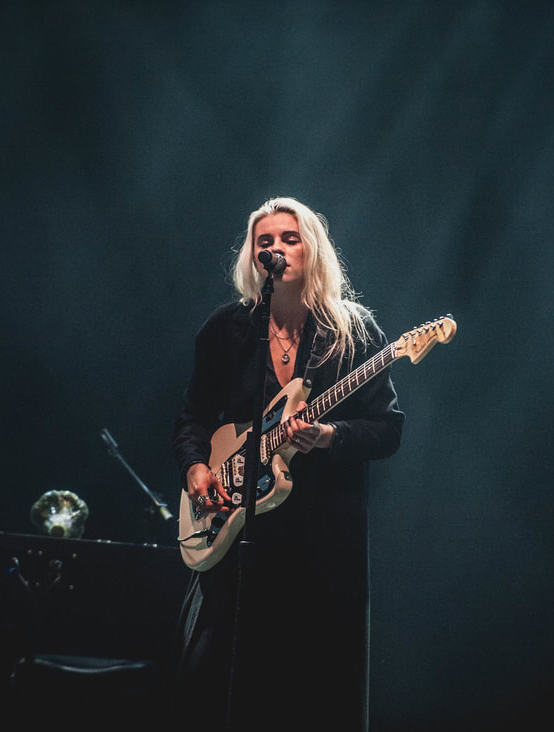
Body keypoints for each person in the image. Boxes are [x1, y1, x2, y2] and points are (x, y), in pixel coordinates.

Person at [170, 197, 404, 731]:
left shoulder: (354, 332)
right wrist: (195, 467)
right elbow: (193, 416)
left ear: (312, 249)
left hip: (322, 540)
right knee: (218, 686)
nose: (275, 248)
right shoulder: (228, 329)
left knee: (312, 694)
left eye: (289, 238)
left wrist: (329, 436)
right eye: (265, 242)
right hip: (236, 533)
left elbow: (388, 429)